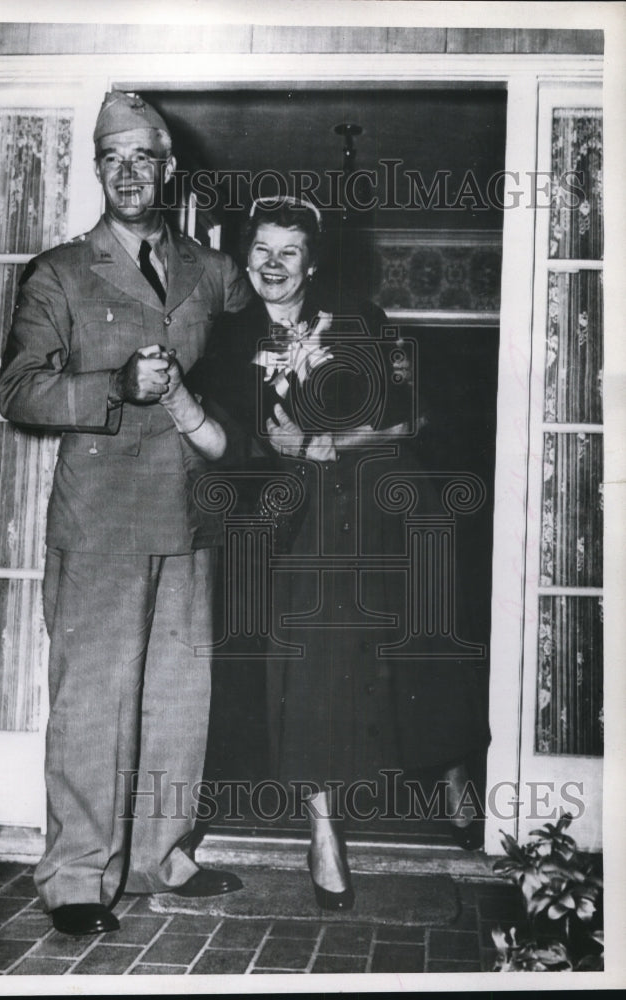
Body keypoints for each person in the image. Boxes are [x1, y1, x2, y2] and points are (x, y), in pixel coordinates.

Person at [0, 92, 250, 936]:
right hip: (100, 515)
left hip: (188, 510)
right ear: (97, 168)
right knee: (94, 698)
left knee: (181, 695)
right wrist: (113, 388)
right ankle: (76, 876)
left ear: (168, 168)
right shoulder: (61, 272)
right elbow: (19, 391)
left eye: (145, 156)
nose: (130, 172)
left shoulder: (211, 272)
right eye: (114, 158)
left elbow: (256, 356)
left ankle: (160, 856)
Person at [192, 197, 490, 910]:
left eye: (287, 251)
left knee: (417, 642)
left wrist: (333, 442)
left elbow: (409, 415)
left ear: (311, 262)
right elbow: (222, 433)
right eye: (260, 249)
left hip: (375, 499)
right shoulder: (227, 336)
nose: (270, 264)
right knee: (310, 663)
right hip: (288, 521)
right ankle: (323, 832)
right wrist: (280, 446)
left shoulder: (355, 319)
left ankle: (449, 763)